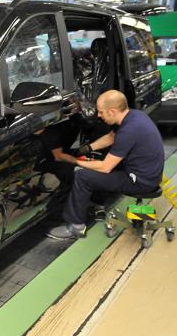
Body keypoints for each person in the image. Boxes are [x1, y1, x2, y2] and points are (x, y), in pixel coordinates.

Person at [47, 90, 164, 240]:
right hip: (147, 174)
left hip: (140, 182)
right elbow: (111, 137)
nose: (99, 116)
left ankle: (75, 227)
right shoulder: (133, 115)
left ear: (113, 111)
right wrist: (87, 149)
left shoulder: (129, 130)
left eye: (101, 112)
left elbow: (105, 167)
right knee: (96, 166)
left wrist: (75, 161)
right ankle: (99, 205)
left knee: (82, 175)